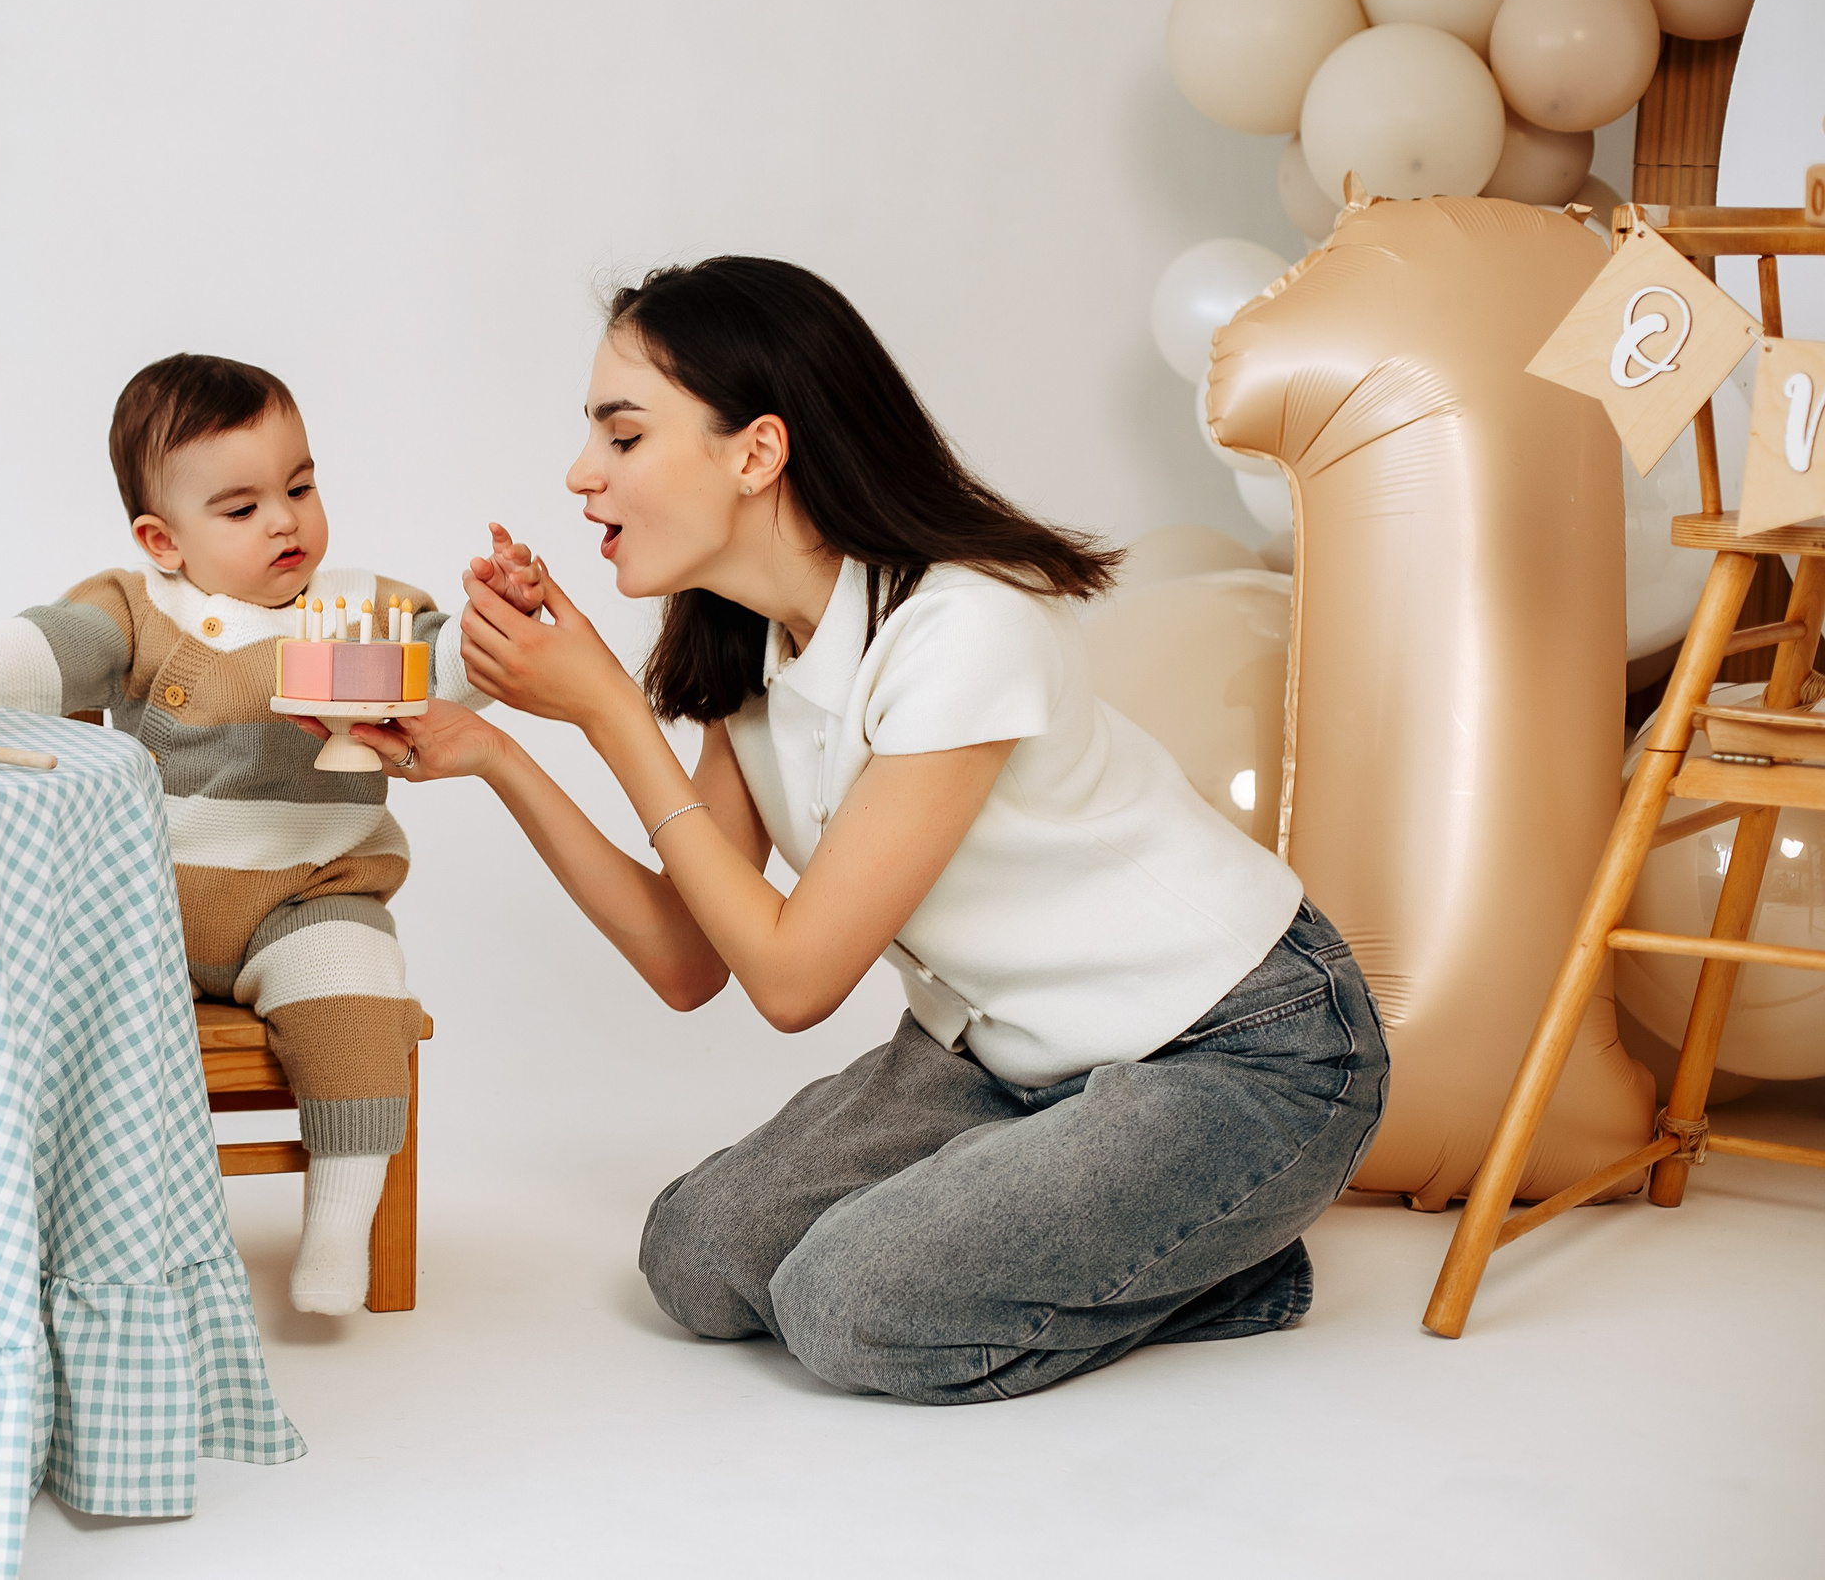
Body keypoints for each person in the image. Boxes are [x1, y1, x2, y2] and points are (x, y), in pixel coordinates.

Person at [353, 257, 1387, 1402]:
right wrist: (494, 754)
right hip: (1011, 1059)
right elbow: (688, 958)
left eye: (623, 435)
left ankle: (1220, 1258)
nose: (580, 473)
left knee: (848, 1308)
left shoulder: (964, 625)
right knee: (695, 1258)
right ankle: (1094, 1213)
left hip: (1239, 1049)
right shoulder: (748, 648)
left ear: (757, 452)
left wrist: (609, 714)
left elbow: (794, 980)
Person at [0, 352, 541, 1314]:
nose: (284, 521)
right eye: (241, 506)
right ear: (162, 538)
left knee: (356, 998)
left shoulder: (364, 608)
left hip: (308, 895)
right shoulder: (139, 607)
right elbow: (43, 650)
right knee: (49, 1015)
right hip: (147, 911)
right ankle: (77, 1231)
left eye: (299, 487)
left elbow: (442, 669)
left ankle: (339, 1220)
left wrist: (493, 618)